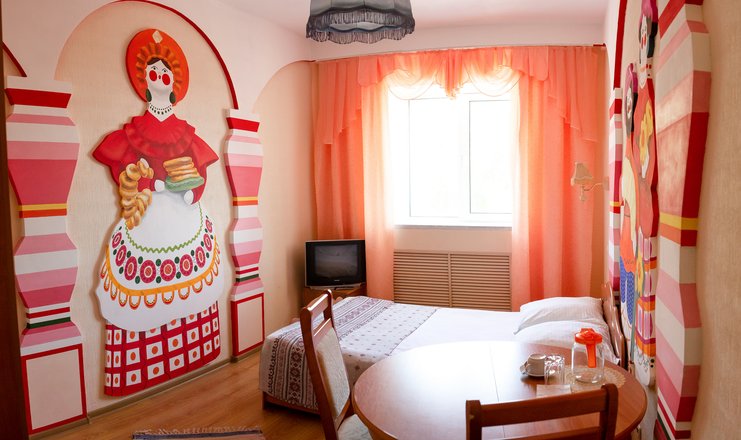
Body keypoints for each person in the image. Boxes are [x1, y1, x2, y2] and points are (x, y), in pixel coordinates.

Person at [93, 29, 224, 396]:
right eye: (154, 71)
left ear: (174, 83)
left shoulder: (185, 132)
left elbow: (200, 173)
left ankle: (196, 347)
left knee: (193, 282)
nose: (161, 76)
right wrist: (152, 185)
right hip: (148, 217)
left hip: (184, 216)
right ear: (144, 82)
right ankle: (140, 364)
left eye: (166, 71)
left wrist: (190, 192)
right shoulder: (134, 132)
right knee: (142, 284)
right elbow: (123, 168)